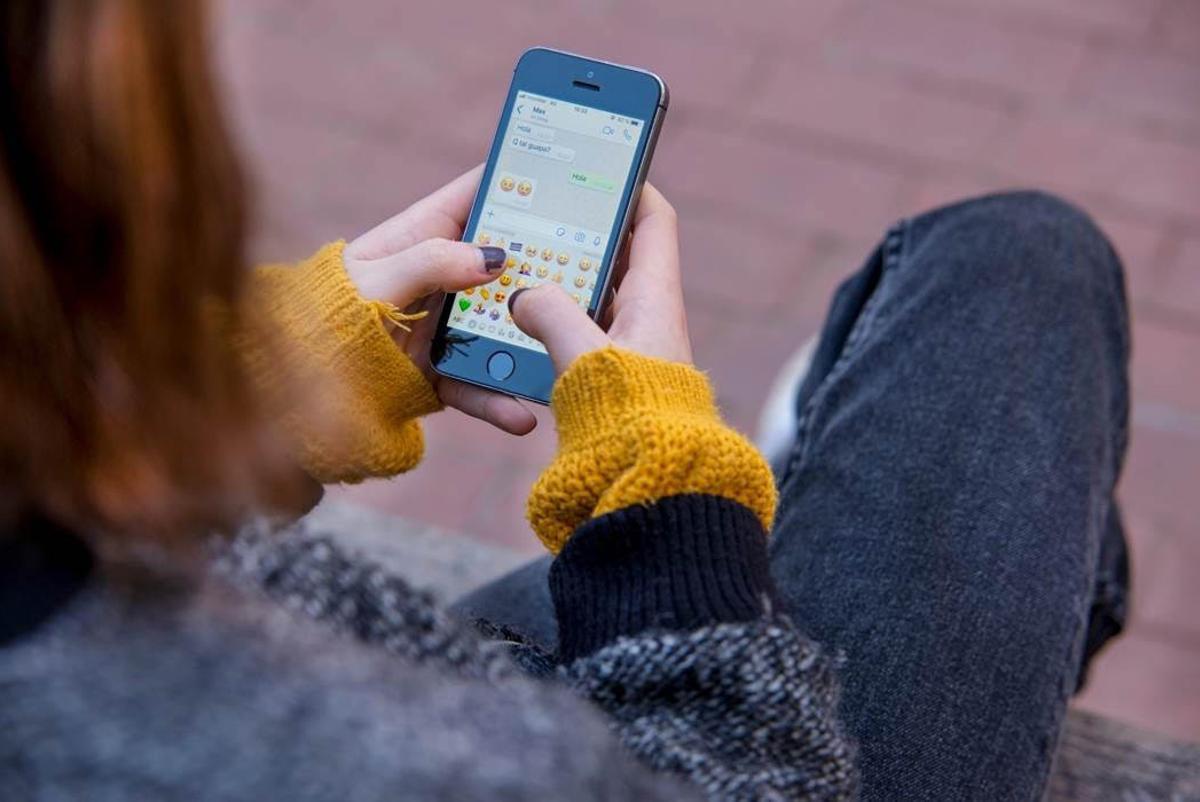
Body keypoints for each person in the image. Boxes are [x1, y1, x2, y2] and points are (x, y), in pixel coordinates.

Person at [0, 2, 1128, 801]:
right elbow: (747, 774)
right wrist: (667, 504)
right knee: (1015, 263)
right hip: (679, 749)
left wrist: (253, 393)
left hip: (441, 680)